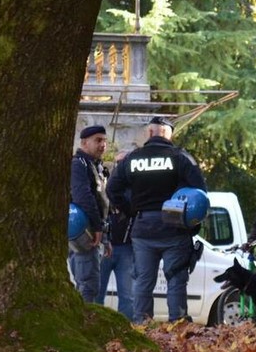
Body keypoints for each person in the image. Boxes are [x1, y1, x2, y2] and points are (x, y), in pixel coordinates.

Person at [106, 116, 207, 324]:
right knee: (176, 279)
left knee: (143, 281)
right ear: (168, 135)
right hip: (175, 227)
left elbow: (112, 189)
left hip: (143, 227)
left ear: (150, 132)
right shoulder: (180, 158)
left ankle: (142, 326)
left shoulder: (132, 159)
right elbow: (200, 192)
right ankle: (178, 326)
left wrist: (130, 210)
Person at [70, 125, 109, 302]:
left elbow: (102, 202)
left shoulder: (95, 165)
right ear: (84, 143)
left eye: (105, 141)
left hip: (91, 230)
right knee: (88, 284)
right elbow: (83, 197)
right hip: (85, 230)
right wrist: (97, 227)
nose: (103, 145)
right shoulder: (79, 164)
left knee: (88, 282)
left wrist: (105, 236)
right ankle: (83, 317)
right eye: (98, 140)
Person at [95, 150, 135, 319]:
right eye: (117, 163)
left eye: (123, 162)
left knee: (127, 296)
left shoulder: (134, 188)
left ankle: (127, 328)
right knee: (97, 293)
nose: (120, 166)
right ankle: (94, 326)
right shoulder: (105, 185)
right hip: (105, 245)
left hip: (126, 247)